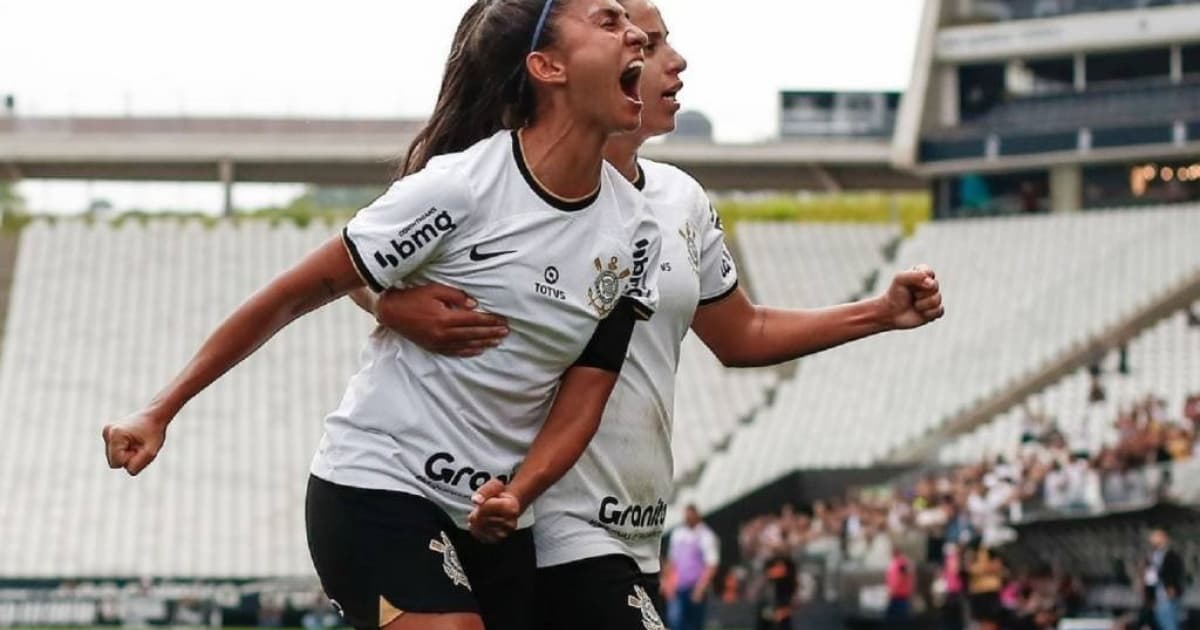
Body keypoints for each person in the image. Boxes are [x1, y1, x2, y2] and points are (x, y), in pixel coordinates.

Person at [358, 2, 945, 628]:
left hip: (633, 526)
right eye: (646, 41)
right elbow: (353, 264)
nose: (670, 58)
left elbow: (742, 333)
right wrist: (389, 304)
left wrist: (878, 312)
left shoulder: (678, 199)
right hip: (548, 517)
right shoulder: (501, 186)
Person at [101, 2, 660, 630]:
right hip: (377, 482)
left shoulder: (636, 230)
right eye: (609, 21)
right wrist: (160, 408)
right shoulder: (460, 188)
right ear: (546, 66)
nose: (638, 33)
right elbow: (293, 293)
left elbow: (586, 393)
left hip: (493, 514)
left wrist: (520, 491)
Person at [665, 504, 720, 630]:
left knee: (694, 625)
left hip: (695, 588)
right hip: (678, 587)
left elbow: (712, 564)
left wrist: (701, 587)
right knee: (675, 622)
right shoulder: (677, 533)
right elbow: (672, 561)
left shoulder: (705, 535)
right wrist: (668, 583)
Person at [1146, 528, 1185, 630]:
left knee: (1169, 622)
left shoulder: (1172, 556)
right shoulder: (1152, 556)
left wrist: (1173, 589)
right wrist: (1150, 596)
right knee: (1161, 621)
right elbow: (1150, 578)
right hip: (1158, 596)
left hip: (1168, 595)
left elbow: (1176, 573)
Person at [885, 546, 914, 626]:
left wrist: (892, 589)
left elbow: (899, 578)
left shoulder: (901, 563)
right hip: (899, 594)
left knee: (898, 619)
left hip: (899, 594)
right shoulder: (901, 563)